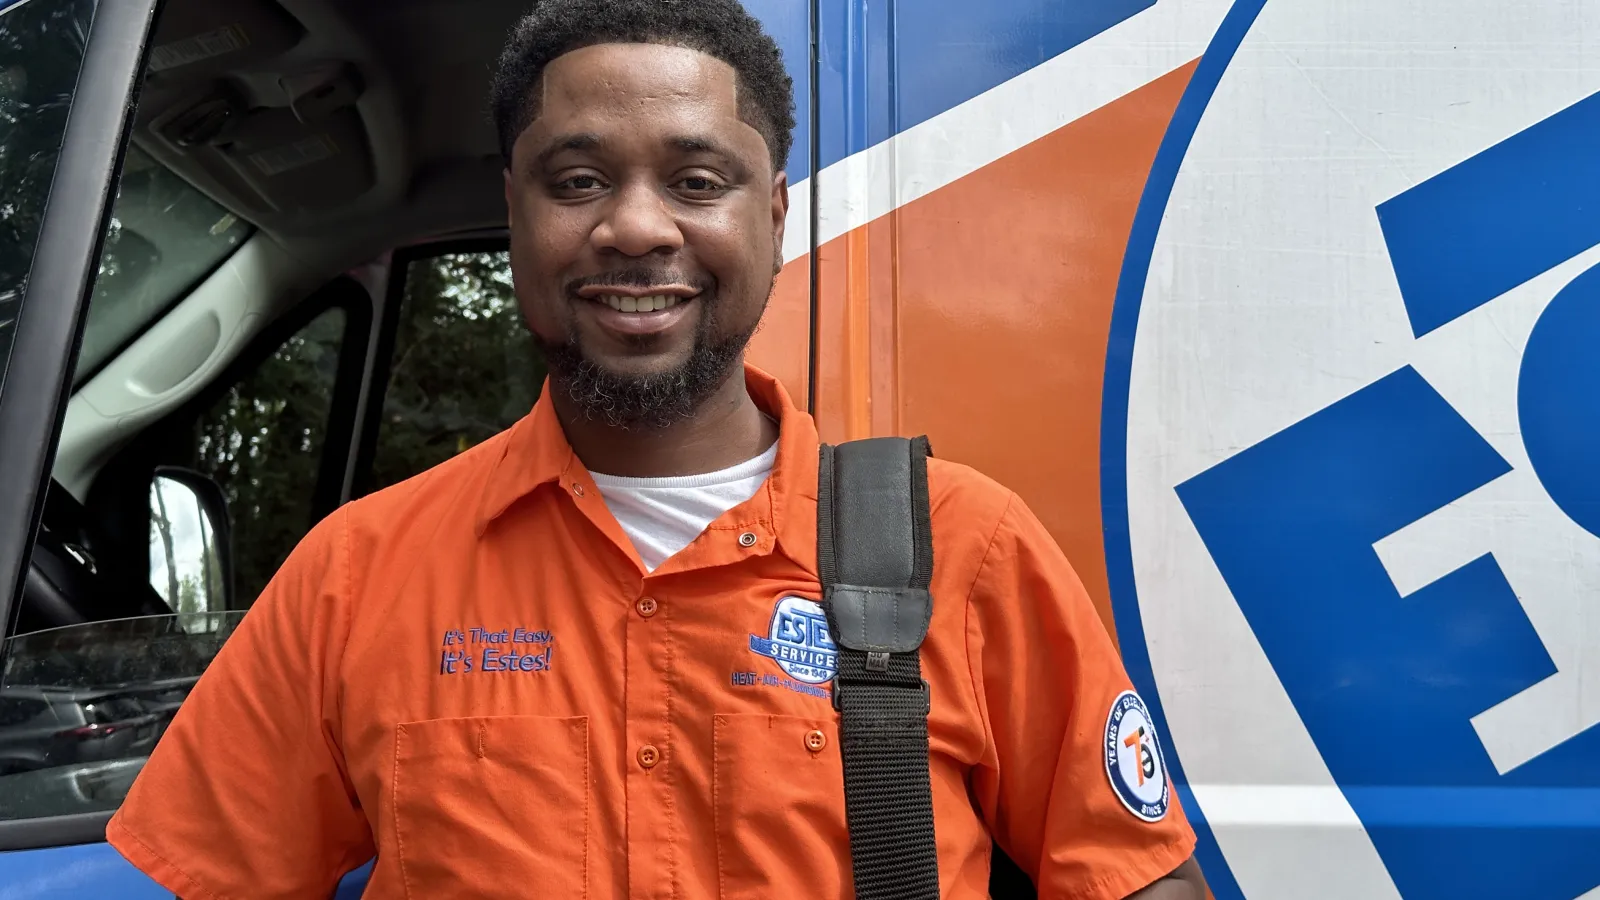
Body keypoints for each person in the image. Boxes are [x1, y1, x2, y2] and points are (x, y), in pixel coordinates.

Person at [106, 1, 1210, 897]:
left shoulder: (967, 551)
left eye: (696, 180)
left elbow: (1134, 882)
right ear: (515, 211)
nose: (636, 228)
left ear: (772, 216)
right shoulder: (355, 578)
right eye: (578, 180)